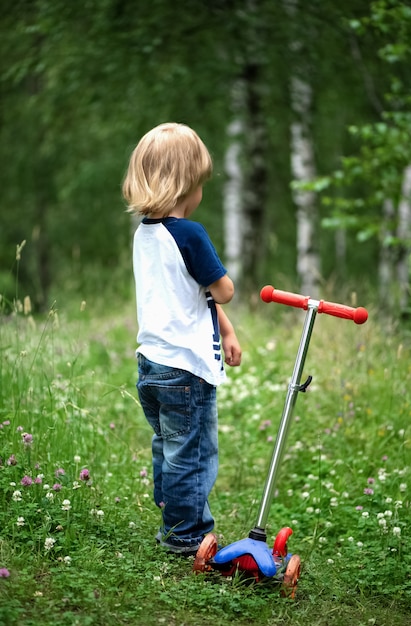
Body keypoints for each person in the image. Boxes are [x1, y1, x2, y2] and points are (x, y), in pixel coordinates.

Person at [122, 122, 242, 556]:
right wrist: (226, 302)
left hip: (151, 364)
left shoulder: (144, 234)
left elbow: (188, 293)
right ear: (186, 184)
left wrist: (225, 329)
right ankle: (187, 535)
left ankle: (171, 511)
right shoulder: (189, 233)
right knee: (192, 453)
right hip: (186, 369)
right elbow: (222, 289)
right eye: (200, 182)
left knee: (169, 445)